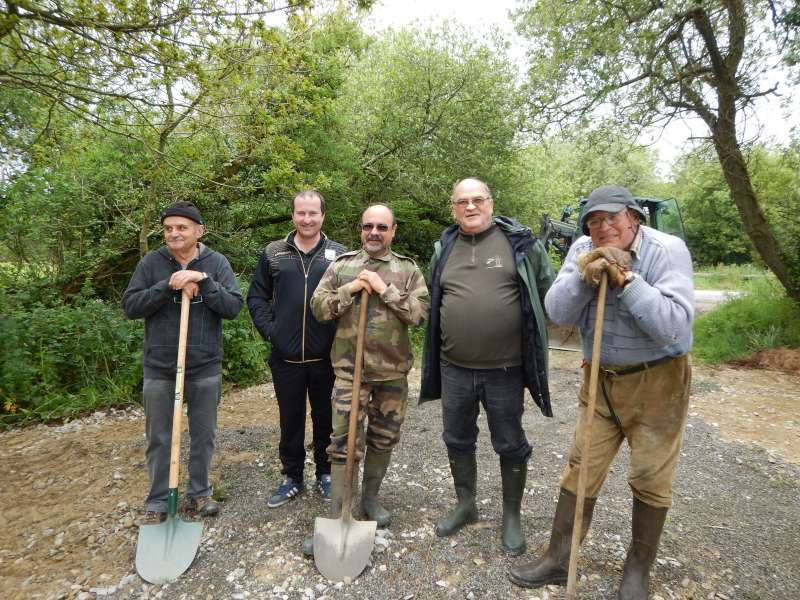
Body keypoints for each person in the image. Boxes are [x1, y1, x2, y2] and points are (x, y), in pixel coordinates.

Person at [508, 185, 694, 600]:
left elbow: (671, 327)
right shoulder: (583, 247)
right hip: (600, 377)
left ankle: (637, 572)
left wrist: (627, 280)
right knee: (582, 465)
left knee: (650, 477)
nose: (603, 227)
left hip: (658, 381)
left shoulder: (667, 251)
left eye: (611, 218)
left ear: (633, 217)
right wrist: (583, 274)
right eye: (594, 221)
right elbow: (556, 312)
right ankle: (558, 559)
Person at [420, 177, 555, 555]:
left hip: (506, 370)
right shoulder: (443, 249)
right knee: (457, 438)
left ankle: (512, 515)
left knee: (510, 443)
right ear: (453, 208)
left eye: (477, 200)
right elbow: (436, 298)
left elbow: (553, 295)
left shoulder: (521, 245)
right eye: (462, 201)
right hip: (454, 367)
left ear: (491, 204)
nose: (470, 207)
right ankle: (466, 504)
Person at [302, 204, 429, 555]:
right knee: (342, 441)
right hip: (348, 373)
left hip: (391, 373)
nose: (374, 232)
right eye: (368, 226)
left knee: (383, 438)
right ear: (361, 229)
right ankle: (339, 513)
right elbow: (318, 307)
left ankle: (370, 500)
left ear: (393, 230)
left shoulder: (407, 269)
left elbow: (420, 314)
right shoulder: (342, 266)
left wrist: (384, 289)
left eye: (382, 227)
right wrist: (352, 289)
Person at [122, 201, 243, 524]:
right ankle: (159, 499)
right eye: (168, 229)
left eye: (181, 227)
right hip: (160, 366)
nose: (174, 233)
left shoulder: (215, 263)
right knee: (159, 436)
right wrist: (167, 285)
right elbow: (131, 305)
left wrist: (203, 281)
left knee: (203, 433)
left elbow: (232, 307)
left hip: (204, 366)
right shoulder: (152, 263)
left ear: (198, 231)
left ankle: (200, 491)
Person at [247, 190, 347, 507]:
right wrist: (271, 331)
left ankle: (325, 474)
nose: (307, 219)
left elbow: (350, 302)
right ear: (293, 215)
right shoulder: (274, 253)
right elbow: (256, 297)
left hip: (325, 357)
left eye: (313, 213)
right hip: (286, 357)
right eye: (301, 213)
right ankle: (292, 476)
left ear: (322, 216)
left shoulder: (340, 255)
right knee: (289, 419)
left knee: (325, 419)